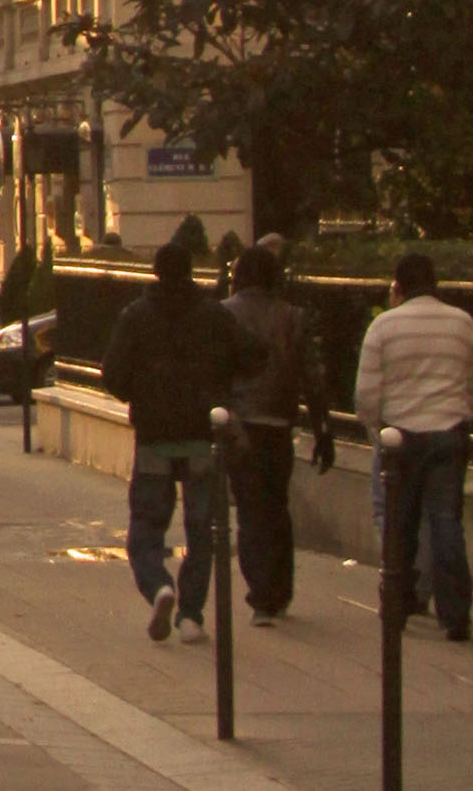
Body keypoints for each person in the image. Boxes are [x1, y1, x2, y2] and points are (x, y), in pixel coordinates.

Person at [100, 232, 258, 641]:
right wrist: (222, 384)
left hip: (154, 434)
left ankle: (158, 586)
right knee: (202, 530)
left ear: (155, 273)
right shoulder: (213, 315)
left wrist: (142, 394)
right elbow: (252, 354)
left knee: (146, 527)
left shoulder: (135, 316)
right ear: (190, 273)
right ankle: (190, 614)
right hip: (202, 434)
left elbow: (113, 374)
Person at [355, 250, 473, 643]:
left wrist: (376, 430)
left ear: (398, 285)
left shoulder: (384, 327)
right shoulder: (462, 323)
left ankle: (397, 605)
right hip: (449, 430)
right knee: (446, 521)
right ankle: (456, 615)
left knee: (401, 524)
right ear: (435, 283)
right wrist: (461, 413)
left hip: (401, 436)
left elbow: (366, 394)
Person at [220, 235, 333, 623]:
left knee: (251, 510)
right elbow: (312, 377)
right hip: (279, 422)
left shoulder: (224, 314)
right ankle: (280, 588)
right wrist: (322, 427)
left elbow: (216, 372)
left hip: (240, 423)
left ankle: (262, 594)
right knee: (276, 505)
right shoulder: (292, 316)